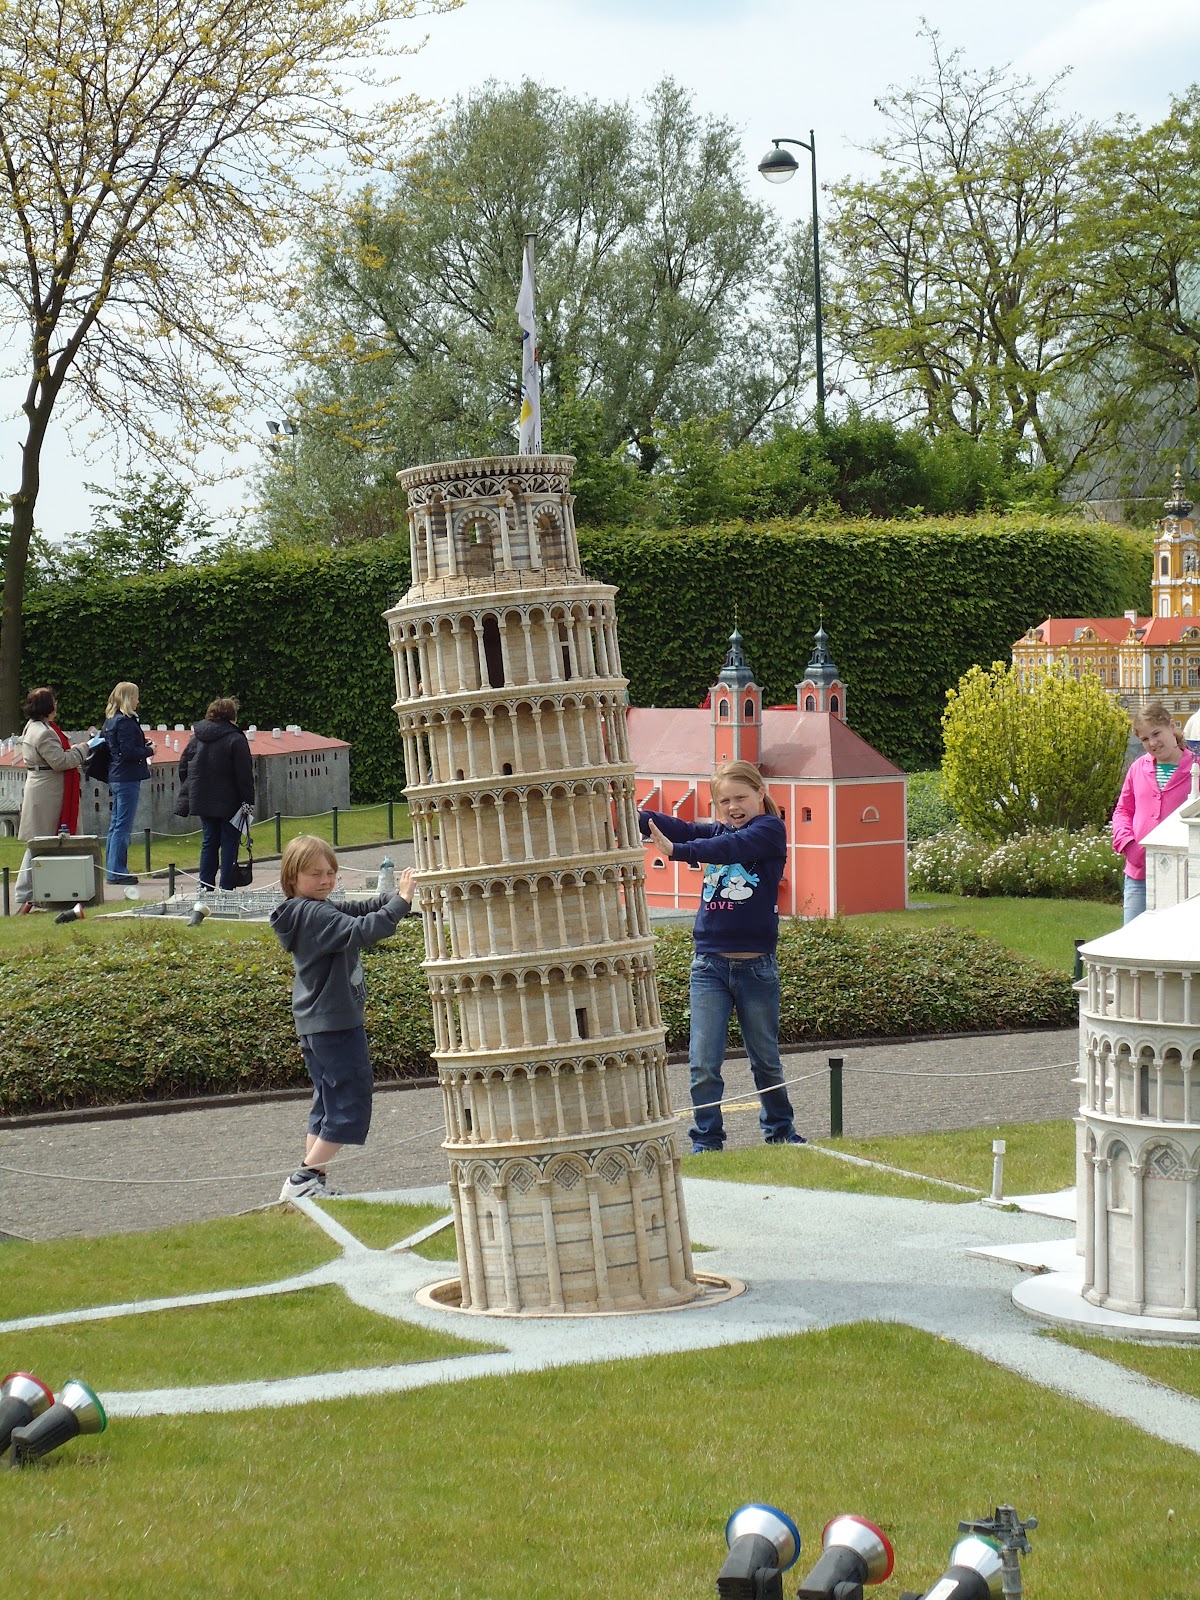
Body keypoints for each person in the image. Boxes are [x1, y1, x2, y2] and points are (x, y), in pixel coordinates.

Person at [640, 759, 805, 1154]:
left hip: (757, 968)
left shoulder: (768, 830)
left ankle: (781, 1131)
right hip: (709, 967)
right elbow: (685, 827)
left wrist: (678, 851)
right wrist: (635, 816)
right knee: (702, 1065)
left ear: (760, 793)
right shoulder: (719, 829)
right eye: (724, 801)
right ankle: (708, 1141)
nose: (733, 807)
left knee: (765, 1060)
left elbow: (728, 847)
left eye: (741, 798)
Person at [270, 835, 416, 1200]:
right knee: (350, 1099)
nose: (326, 880)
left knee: (327, 1102)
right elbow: (363, 930)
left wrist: (391, 899)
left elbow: (359, 910)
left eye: (331, 873)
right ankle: (302, 1179)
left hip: (317, 1024)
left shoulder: (305, 910)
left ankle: (312, 1182)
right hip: (334, 1023)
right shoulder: (315, 913)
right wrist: (401, 903)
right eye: (315, 874)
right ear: (292, 877)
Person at [1112, 702, 1197, 924]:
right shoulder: (1137, 768)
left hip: (1184, 874)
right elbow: (1123, 810)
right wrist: (1128, 845)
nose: (1153, 743)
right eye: (1145, 739)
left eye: (1157, 733)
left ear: (1171, 726)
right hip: (1139, 875)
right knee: (1132, 941)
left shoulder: (1196, 769)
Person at [14, 687, 89, 912]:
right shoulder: (44, 731)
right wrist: (83, 750)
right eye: (54, 701)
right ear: (48, 706)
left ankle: (39, 891)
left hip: (46, 787)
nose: (56, 704)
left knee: (43, 841)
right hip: (49, 791)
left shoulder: (36, 727)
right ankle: (27, 893)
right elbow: (59, 761)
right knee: (43, 841)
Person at [177, 697, 255, 891]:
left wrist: (192, 788)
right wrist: (248, 800)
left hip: (202, 798)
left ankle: (205, 885)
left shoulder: (197, 737)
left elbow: (183, 766)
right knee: (229, 843)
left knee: (209, 841)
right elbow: (244, 773)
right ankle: (227, 886)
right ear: (231, 715)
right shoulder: (236, 738)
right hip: (230, 800)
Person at [101, 681, 155, 885]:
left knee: (116, 825)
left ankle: (113, 869)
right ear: (128, 699)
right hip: (126, 777)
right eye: (135, 697)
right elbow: (129, 753)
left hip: (117, 776)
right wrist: (150, 750)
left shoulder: (112, 720)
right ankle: (116, 872)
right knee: (122, 826)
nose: (138, 700)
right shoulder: (124, 721)